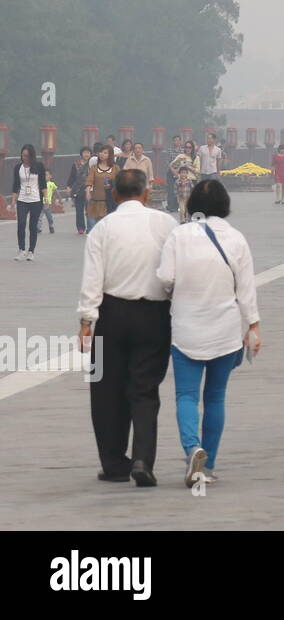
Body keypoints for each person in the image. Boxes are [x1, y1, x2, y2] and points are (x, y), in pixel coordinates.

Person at [155, 179, 261, 486]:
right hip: (225, 330)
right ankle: (208, 464)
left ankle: (192, 448)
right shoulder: (237, 239)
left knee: (186, 395)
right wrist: (253, 325)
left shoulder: (179, 234)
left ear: (192, 205)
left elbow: (165, 277)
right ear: (225, 205)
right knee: (215, 397)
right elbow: (246, 289)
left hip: (186, 328)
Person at [77, 169, 178, 486]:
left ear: (115, 195)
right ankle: (142, 460)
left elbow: (92, 279)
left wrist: (85, 321)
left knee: (104, 388)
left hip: (110, 314)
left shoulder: (102, 229)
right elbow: (175, 273)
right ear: (146, 194)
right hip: (154, 315)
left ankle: (113, 463)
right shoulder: (167, 225)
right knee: (145, 390)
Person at [11, 144, 46, 261]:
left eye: (27, 156)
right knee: (21, 224)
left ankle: (31, 251)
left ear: (32, 155)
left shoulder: (39, 166)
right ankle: (21, 249)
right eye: (23, 155)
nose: (25, 158)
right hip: (22, 200)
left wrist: (46, 199)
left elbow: (43, 184)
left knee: (32, 226)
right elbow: (15, 185)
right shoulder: (18, 168)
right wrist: (13, 201)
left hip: (36, 200)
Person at [86, 142, 120, 231]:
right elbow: (89, 181)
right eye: (101, 152)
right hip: (95, 200)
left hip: (109, 202)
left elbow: (120, 182)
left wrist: (112, 184)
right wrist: (88, 192)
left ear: (110, 155)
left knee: (107, 227)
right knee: (94, 227)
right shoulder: (94, 168)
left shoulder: (115, 168)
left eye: (105, 153)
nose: (102, 154)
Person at [170, 142, 199, 221]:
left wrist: (188, 166)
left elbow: (197, 171)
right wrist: (177, 175)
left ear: (192, 148)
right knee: (182, 202)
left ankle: (189, 218)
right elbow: (172, 166)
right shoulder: (180, 156)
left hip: (192, 181)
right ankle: (183, 219)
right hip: (181, 181)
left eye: (190, 147)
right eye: (186, 147)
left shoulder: (196, 157)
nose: (188, 149)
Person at [68, 146, 93, 235]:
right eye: (85, 152)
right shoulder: (76, 164)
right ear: (81, 154)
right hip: (78, 190)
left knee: (89, 209)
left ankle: (90, 227)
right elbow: (72, 177)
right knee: (79, 210)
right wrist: (69, 186)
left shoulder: (92, 164)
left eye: (88, 152)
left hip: (89, 190)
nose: (86, 154)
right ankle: (81, 227)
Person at [165, 135, 184, 212]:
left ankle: (177, 206)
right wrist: (173, 170)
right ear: (173, 142)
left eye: (178, 140)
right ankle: (170, 206)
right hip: (171, 172)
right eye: (175, 140)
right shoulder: (169, 150)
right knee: (170, 189)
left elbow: (183, 162)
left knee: (179, 189)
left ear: (180, 141)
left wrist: (178, 171)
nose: (176, 142)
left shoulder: (183, 151)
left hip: (181, 172)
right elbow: (167, 162)